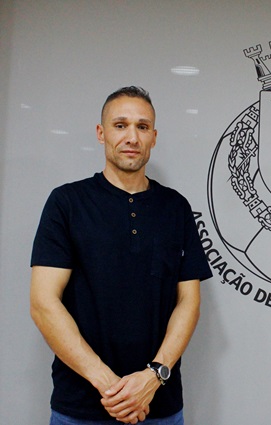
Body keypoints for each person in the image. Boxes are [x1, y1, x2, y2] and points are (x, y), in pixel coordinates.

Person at [30, 86, 212, 424]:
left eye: (142, 127)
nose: (132, 136)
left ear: (154, 137)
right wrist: (110, 385)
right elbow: (43, 303)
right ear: (101, 133)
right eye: (120, 125)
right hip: (82, 407)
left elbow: (189, 302)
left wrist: (153, 376)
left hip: (160, 406)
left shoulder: (176, 208)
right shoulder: (66, 203)